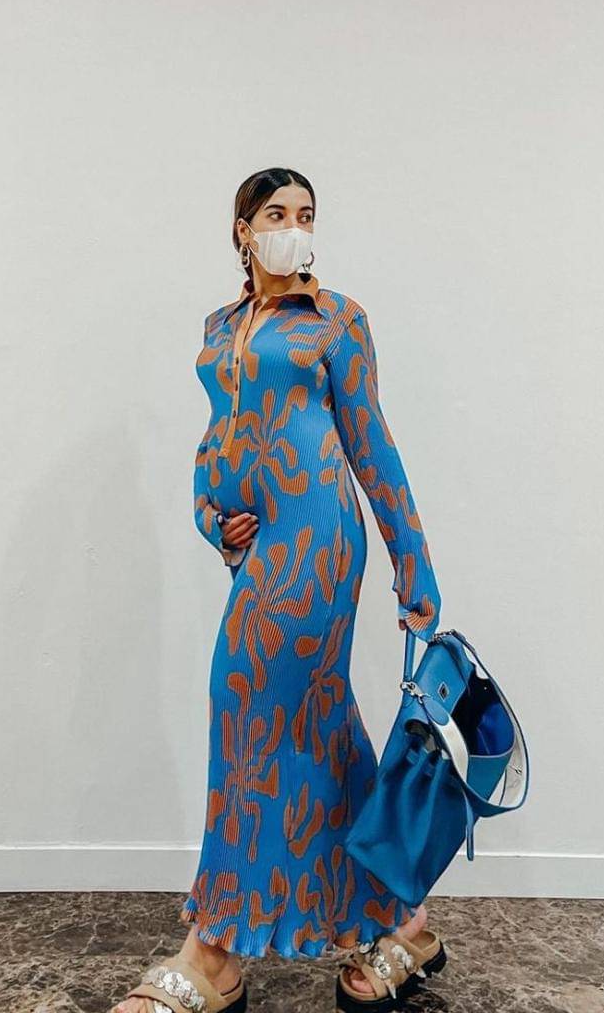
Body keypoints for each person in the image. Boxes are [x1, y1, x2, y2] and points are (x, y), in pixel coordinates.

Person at [110, 169, 447, 1013]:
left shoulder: (337, 319)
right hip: (262, 546)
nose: (294, 227)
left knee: (244, 705)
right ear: (243, 229)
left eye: (306, 215)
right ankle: (404, 923)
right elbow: (218, 440)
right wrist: (210, 515)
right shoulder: (222, 327)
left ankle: (213, 951)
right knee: (319, 726)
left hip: (320, 540)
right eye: (276, 214)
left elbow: (370, 441)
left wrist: (412, 558)